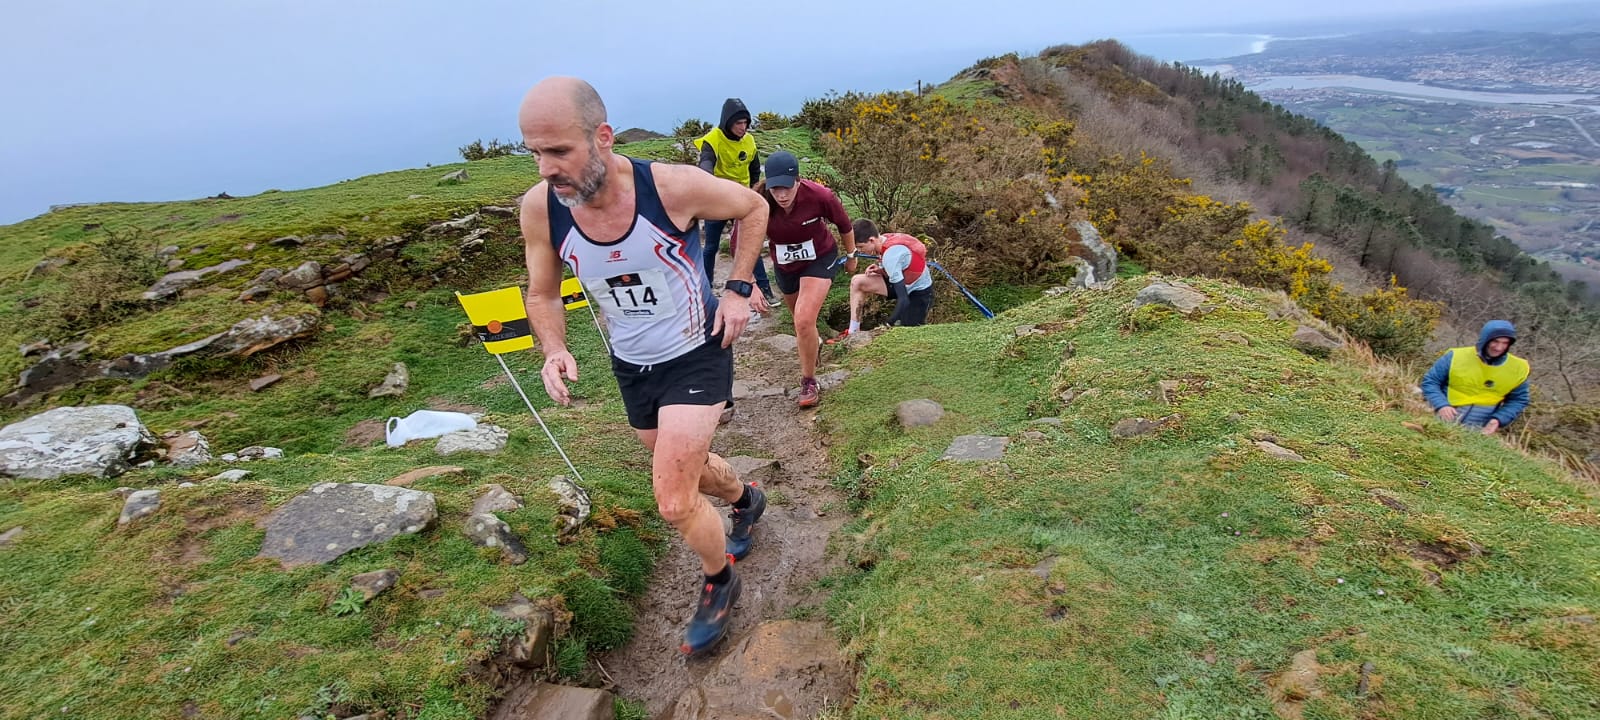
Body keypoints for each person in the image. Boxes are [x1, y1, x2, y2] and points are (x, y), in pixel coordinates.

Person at [517, 77, 769, 655]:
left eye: (559, 151)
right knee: (686, 465)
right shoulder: (542, 210)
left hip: (696, 349)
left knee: (673, 499)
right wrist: (554, 348)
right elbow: (543, 294)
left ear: (603, 138)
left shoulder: (670, 188)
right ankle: (744, 499)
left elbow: (752, 208)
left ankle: (718, 580)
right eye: (534, 152)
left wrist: (736, 288)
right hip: (632, 364)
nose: (545, 168)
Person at [743, 150, 856, 407]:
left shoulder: (820, 195)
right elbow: (743, 244)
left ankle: (808, 382)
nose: (781, 195)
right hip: (785, 266)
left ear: (798, 181)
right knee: (800, 322)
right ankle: (813, 342)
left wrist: (851, 256)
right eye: (776, 189)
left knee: (804, 319)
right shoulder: (758, 202)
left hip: (820, 257)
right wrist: (749, 284)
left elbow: (845, 224)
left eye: (787, 188)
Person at [695, 98, 776, 304]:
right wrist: (708, 185)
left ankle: (765, 289)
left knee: (750, 243)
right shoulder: (712, 140)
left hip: (743, 199)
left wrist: (755, 193)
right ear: (727, 122)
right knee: (711, 246)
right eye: (738, 123)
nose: (743, 127)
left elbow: (755, 168)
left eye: (745, 123)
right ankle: (706, 289)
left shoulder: (749, 140)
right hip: (719, 199)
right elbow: (706, 164)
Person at [1420, 320, 1531, 435]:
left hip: (1478, 431)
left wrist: (1498, 420)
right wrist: (1441, 405)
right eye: (1495, 341)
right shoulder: (1455, 356)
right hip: (1438, 419)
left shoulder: (1518, 368)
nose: (1499, 348)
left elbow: (1518, 399)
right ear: (1485, 339)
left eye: (1505, 343)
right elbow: (1431, 381)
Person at [833, 219, 934, 343]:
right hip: (903, 282)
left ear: (871, 240)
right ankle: (853, 332)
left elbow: (904, 300)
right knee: (857, 282)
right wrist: (881, 270)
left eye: (860, 247)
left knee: (909, 334)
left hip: (919, 292)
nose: (860, 251)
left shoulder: (890, 256)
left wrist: (886, 325)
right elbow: (900, 266)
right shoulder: (884, 238)